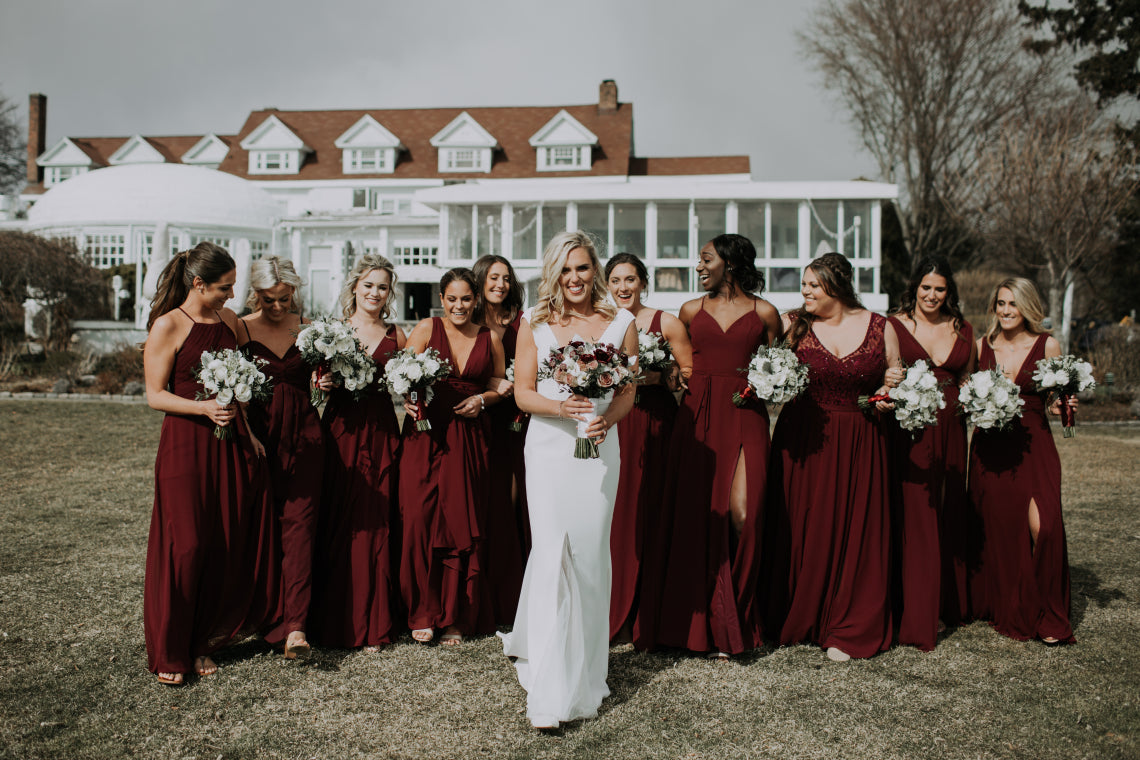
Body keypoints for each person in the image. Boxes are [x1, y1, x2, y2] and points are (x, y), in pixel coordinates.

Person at [501, 230, 638, 729]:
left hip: (599, 451)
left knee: (589, 553)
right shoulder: (532, 322)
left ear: (594, 270)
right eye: (565, 269)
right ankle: (550, 681)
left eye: (582, 268)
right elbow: (520, 393)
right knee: (551, 548)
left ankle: (587, 666)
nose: (574, 278)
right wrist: (561, 406)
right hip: (548, 450)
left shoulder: (621, 323)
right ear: (552, 272)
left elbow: (628, 392)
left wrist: (609, 419)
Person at [142, 242, 278, 685]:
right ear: (198, 283)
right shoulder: (168, 325)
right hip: (186, 445)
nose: (231, 295)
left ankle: (201, 643)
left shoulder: (229, 322)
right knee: (186, 546)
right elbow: (154, 395)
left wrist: (251, 433)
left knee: (223, 541)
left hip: (231, 443)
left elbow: (240, 382)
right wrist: (203, 409)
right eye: (224, 287)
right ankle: (171, 650)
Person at [644, 234, 780, 659]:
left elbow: (778, 363)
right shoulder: (689, 311)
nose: (698, 266)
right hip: (697, 414)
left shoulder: (765, 312)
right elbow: (676, 363)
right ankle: (695, 623)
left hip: (745, 413)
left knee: (744, 514)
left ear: (730, 263)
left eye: (705, 259)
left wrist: (769, 385)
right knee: (696, 514)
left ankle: (736, 618)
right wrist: (670, 378)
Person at [763, 252, 902, 662]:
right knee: (807, 522)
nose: (804, 291)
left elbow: (894, 376)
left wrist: (890, 391)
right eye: (804, 284)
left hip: (863, 438)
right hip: (803, 439)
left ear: (837, 287)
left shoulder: (881, 326)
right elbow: (762, 367)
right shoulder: (792, 324)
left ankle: (848, 623)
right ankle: (798, 613)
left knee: (856, 526)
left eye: (813, 285)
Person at [399, 268, 506, 645]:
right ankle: (422, 611)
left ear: (476, 300)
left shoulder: (489, 337)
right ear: (441, 299)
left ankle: (457, 616)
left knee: (461, 521)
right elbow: (400, 376)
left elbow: (498, 384)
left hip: (469, 438)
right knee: (419, 519)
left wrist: (483, 399)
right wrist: (409, 402)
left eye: (466, 298)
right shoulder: (427, 330)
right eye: (452, 298)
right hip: (426, 435)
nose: (459, 306)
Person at [968, 277, 1075, 644]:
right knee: (999, 529)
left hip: (1034, 445)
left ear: (1027, 306)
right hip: (990, 447)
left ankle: (1048, 613)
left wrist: (1062, 406)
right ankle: (1009, 606)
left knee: (1043, 527)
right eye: (1001, 303)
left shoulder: (1048, 345)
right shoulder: (981, 345)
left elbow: (1056, 399)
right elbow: (966, 392)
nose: (1006, 310)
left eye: (1013, 304)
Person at [309, 255, 405, 650]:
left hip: (381, 429)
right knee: (338, 515)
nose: (374, 293)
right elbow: (313, 384)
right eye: (368, 285)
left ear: (389, 293)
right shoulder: (331, 331)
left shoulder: (397, 335)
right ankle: (334, 617)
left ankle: (376, 620)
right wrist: (322, 382)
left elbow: (403, 381)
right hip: (341, 429)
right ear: (354, 287)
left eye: (382, 287)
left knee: (376, 515)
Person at [886, 256, 976, 651]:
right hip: (910, 430)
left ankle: (942, 603)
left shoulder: (962, 328)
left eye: (940, 289)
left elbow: (969, 378)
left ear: (948, 292)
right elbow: (882, 372)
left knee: (945, 510)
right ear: (915, 287)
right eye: (926, 287)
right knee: (913, 512)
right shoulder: (895, 324)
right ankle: (908, 608)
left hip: (952, 429)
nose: (932, 295)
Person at [604, 252, 693, 645]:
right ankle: (612, 610)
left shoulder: (666, 322)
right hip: (612, 424)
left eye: (630, 280)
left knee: (650, 510)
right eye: (616, 281)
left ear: (643, 282)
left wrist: (659, 375)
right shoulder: (600, 322)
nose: (623, 288)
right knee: (614, 513)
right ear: (606, 285)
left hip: (655, 423)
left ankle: (648, 611)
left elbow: (689, 376)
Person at [239, 256, 323, 659]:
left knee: (300, 530)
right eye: (269, 299)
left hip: (305, 438)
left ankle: (295, 627)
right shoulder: (240, 329)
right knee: (258, 528)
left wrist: (328, 380)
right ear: (256, 294)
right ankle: (258, 616)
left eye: (284, 299)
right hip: (256, 439)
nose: (277, 307)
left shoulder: (307, 330)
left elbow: (325, 381)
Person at [472, 254, 530, 626]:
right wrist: (491, 383)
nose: (501, 284)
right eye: (493, 277)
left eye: (506, 278)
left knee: (512, 500)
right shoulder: (466, 319)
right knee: (481, 500)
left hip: (516, 418)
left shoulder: (521, 322)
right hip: (477, 418)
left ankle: (512, 595)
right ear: (480, 281)